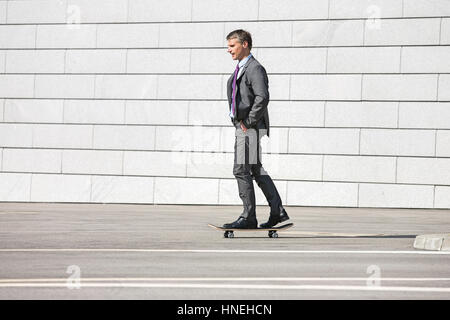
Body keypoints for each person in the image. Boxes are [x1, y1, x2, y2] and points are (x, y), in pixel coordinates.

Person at [223, 29, 289, 229]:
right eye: (228, 46)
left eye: (232, 46)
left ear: (245, 45)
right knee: (255, 169)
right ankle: (277, 211)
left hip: (249, 128)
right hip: (245, 126)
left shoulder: (254, 68)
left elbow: (262, 97)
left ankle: (248, 216)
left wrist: (247, 122)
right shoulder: (241, 68)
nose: (229, 50)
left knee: (241, 170)